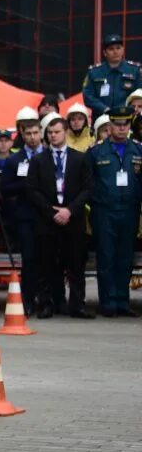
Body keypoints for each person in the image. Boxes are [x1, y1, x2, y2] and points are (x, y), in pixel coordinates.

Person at [27, 118, 94, 319]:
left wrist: (69, 211)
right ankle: (47, 304)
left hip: (73, 220)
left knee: (75, 264)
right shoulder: (39, 160)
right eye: (50, 133)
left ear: (65, 132)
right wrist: (51, 211)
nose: (53, 135)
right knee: (47, 264)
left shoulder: (80, 158)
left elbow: (88, 189)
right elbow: (32, 190)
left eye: (57, 131)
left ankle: (77, 305)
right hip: (47, 220)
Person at [86, 106, 142, 317]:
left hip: (129, 210)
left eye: (125, 124)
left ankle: (122, 302)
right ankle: (108, 303)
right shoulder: (96, 151)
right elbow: (88, 183)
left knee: (125, 258)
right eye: (117, 124)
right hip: (104, 211)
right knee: (106, 258)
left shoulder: (138, 150)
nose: (121, 128)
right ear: (109, 126)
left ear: (129, 125)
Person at [1, 118, 45, 316]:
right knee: (29, 259)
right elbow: (5, 189)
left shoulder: (50, 156)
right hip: (26, 216)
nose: (32, 137)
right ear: (23, 135)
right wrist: (26, 184)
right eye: (28, 134)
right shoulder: (14, 160)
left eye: (35, 133)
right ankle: (27, 300)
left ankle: (48, 300)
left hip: (47, 215)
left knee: (48, 259)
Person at [83, 34, 141, 117]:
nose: (115, 52)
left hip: (127, 118)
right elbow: (88, 97)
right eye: (111, 49)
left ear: (123, 50)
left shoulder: (134, 70)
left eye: (118, 48)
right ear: (105, 53)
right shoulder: (94, 72)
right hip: (102, 118)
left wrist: (124, 109)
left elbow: (139, 94)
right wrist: (104, 109)